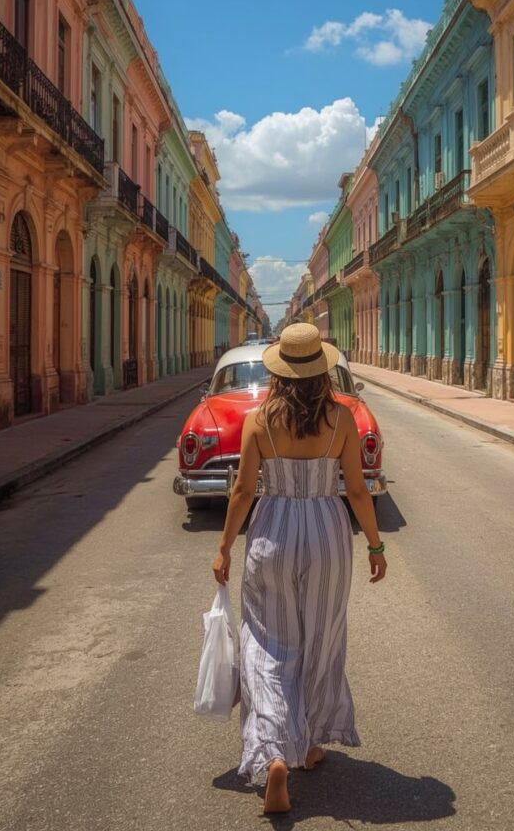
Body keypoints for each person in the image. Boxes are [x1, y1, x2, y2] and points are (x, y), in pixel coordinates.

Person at [212, 322, 387, 814]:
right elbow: (356, 490)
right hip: (328, 536)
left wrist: (225, 546)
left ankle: (273, 752)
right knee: (320, 638)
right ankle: (308, 744)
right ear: (322, 370)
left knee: (268, 643)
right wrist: (375, 546)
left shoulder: (259, 420)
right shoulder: (342, 419)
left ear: (281, 373)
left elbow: (244, 492)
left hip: (273, 532)